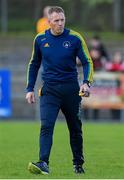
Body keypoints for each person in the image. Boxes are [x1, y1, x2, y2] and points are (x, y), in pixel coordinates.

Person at [26, 6, 93, 175]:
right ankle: (43, 163)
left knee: (75, 128)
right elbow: (34, 64)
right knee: (46, 126)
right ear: (48, 22)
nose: (60, 23)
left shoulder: (75, 38)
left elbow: (87, 62)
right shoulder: (40, 39)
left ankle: (78, 164)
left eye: (62, 20)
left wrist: (86, 82)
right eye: (56, 20)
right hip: (49, 90)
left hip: (71, 90)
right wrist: (29, 89)